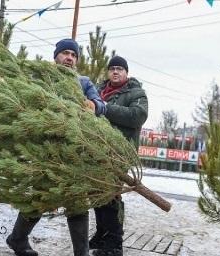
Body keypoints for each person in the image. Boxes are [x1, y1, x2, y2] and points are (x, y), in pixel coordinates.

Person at [6, 38, 105, 256]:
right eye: (65, 53)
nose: (69, 58)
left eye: (73, 55)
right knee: (42, 196)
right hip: (47, 148)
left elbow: (101, 105)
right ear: (56, 56)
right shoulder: (42, 78)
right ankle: (17, 238)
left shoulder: (83, 82)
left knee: (77, 199)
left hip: (74, 149)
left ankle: (82, 253)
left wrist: (93, 105)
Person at [90, 56, 149, 256]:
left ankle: (115, 243)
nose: (115, 72)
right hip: (96, 150)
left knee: (111, 196)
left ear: (126, 73)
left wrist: (104, 108)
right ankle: (102, 233)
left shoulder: (136, 93)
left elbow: (137, 116)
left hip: (119, 152)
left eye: (120, 69)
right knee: (97, 194)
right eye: (112, 68)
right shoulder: (98, 91)